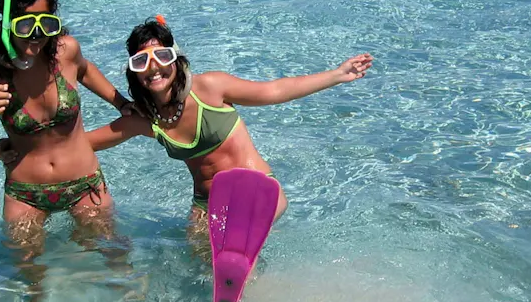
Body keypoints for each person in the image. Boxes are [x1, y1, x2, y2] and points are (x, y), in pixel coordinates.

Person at [85, 16, 373, 227]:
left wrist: (336, 75)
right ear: (134, 72)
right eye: (141, 62)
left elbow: (274, 91)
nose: (154, 68)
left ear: (176, 60)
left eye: (161, 56)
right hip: (205, 205)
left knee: (233, 256)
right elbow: (82, 145)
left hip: (256, 190)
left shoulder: (210, 88)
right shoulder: (147, 119)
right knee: (202, 274)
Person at [0, 0, 131, 246]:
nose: (37, 34)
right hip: (25, 194)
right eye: (27, 24)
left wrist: (121, 103)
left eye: (47, 23)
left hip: (84, 185)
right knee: (30, 280)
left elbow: (85, 70)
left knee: (116, 258)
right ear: (7, 25)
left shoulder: (65, 52)